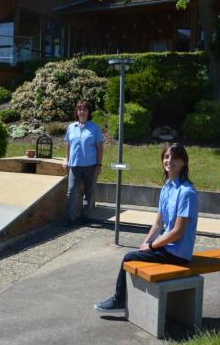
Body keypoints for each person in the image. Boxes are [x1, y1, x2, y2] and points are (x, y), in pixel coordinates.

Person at [94, 143, 198, 313]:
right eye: (166, 157)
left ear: (183, 162)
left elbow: (177, 232)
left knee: (128, 257)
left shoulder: (187, 192)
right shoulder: (167, 188)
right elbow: (158, 224)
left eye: (174, 157)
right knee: (137, 254)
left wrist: (151, 246)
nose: (169, 160)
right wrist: (145, 243)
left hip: (178, 254)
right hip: (167, 248)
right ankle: (127, 300)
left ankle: (119, 300)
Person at [61, 100, 104, 224]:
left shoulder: (94, 128)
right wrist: (66, 160)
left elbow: (100, 147)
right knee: (72, 191)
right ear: (77, 112)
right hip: (74, 166)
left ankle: (85, 216)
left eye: (84, 110)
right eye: (80, 110)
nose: (82, 112)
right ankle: (70, 217)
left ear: (88, 112)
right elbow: (68, 145)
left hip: (90, 166)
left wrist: (99, 165)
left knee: (89, 191)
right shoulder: (71, 127)